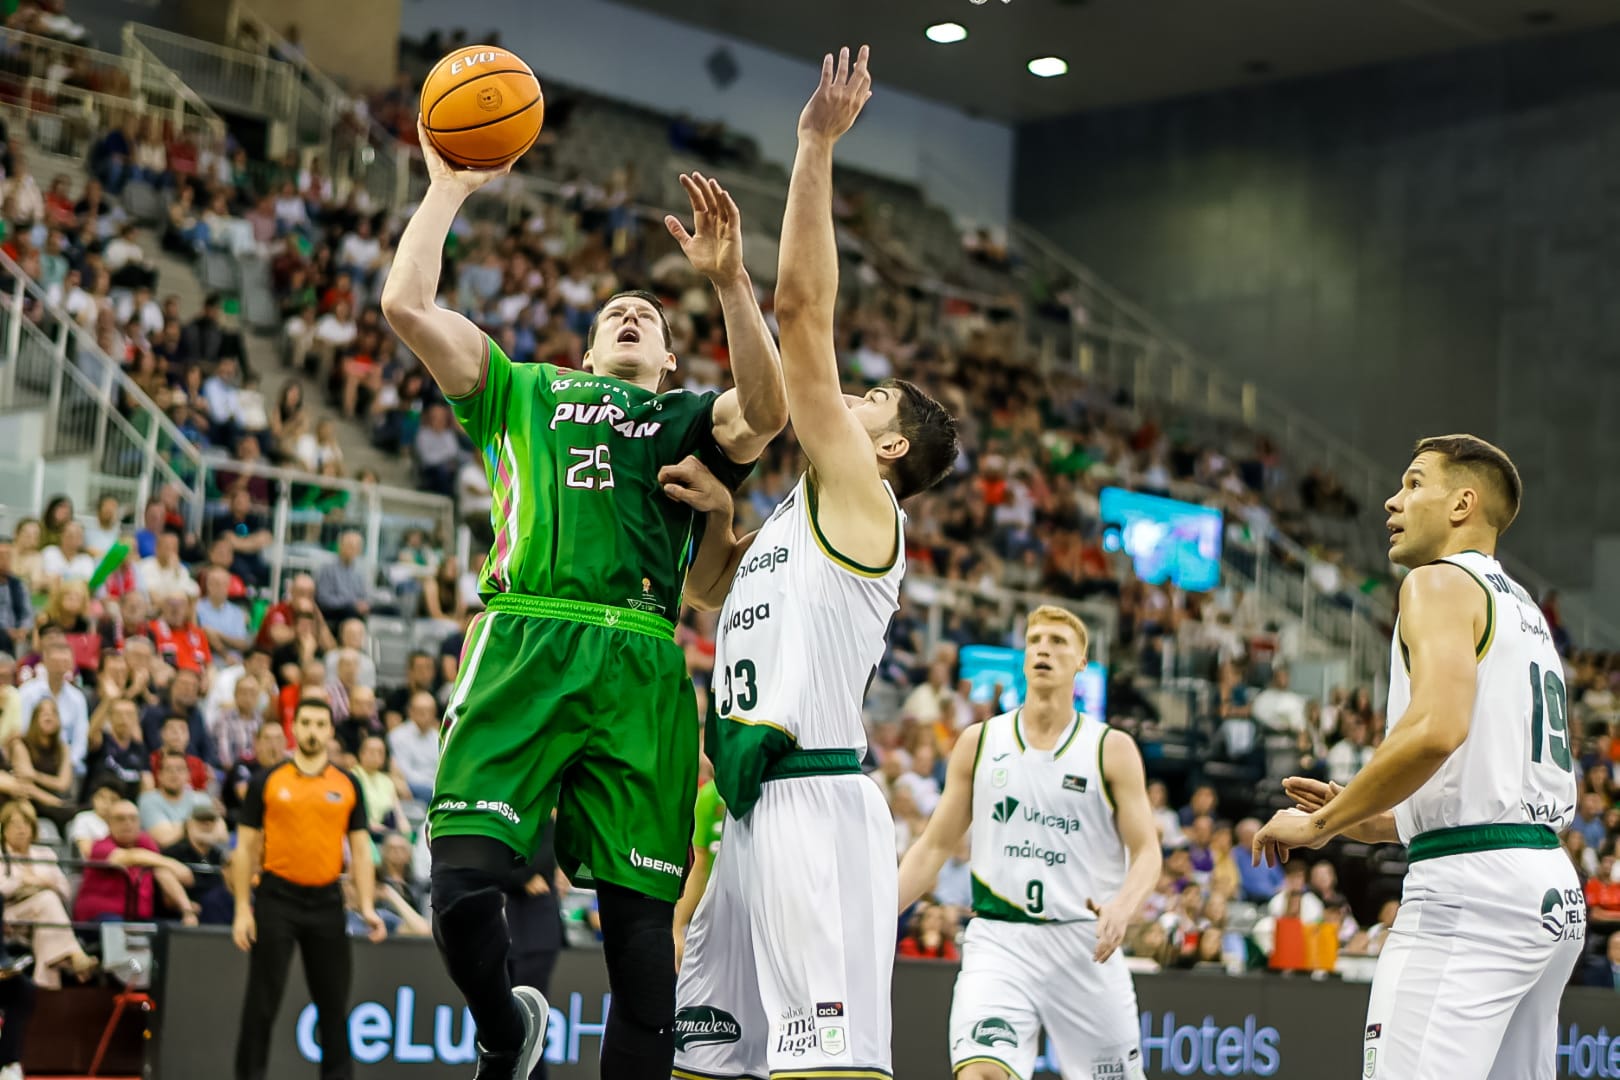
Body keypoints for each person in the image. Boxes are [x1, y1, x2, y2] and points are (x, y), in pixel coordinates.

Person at [379, 95, 790, 1079]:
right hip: (524, 638)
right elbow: (405, 305)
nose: (630, 313)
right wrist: (445, 190)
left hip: (642, 659)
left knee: (641, 950)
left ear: (669, 358)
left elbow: (770, 411)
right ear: (590, 349)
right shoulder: (520, 390)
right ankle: (502, 1026)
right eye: (615, 314)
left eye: (646, 315)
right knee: (463, 889)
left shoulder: (690, 419)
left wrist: (733, 283)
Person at [666, 47, 957, 1080]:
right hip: (746, 809)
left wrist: (813, 145)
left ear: (886, 451)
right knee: (707, 1064)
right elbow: (712, 596)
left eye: (870, 402)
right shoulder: (797, 520)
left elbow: (802, 315)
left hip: (816, 806)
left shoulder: (861, 500)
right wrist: (717, 522)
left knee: (820, 1067)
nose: (850, 398)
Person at [1255, 434, 1583, 1080]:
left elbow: (1437, 730)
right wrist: (1355, 811)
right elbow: (1475, 788)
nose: (1391, 500)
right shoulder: (1525, 611)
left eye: (1411, 484)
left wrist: (1320, 825)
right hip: (1546, 889)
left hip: (1471, 894)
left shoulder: (1437, 583)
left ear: (1462, 503)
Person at [897, 605, 1161, 1080]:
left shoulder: (1111, 748)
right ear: (1023, 657)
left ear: (1082, 661)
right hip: (1000, 939)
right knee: (980, 1073)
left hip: (1085, 942)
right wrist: (878, 915)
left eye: (1059, 641)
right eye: (1036, 639)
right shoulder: (980, 741)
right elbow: (934, 846)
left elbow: (1147, 852)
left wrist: (1123, 907)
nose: (1044, 647)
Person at [232, 699, 386, 1080]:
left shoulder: (348, 783)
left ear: (330, 731)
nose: (313, 730)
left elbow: (363, 851)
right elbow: (245, 849)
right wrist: (241, 910)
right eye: (306, 723)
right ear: (294, 729)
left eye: (321, 723)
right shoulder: (267, 780)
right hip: (276, 899)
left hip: (326, 902)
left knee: (334, 1008)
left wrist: (366, 905)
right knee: (261, 1005)